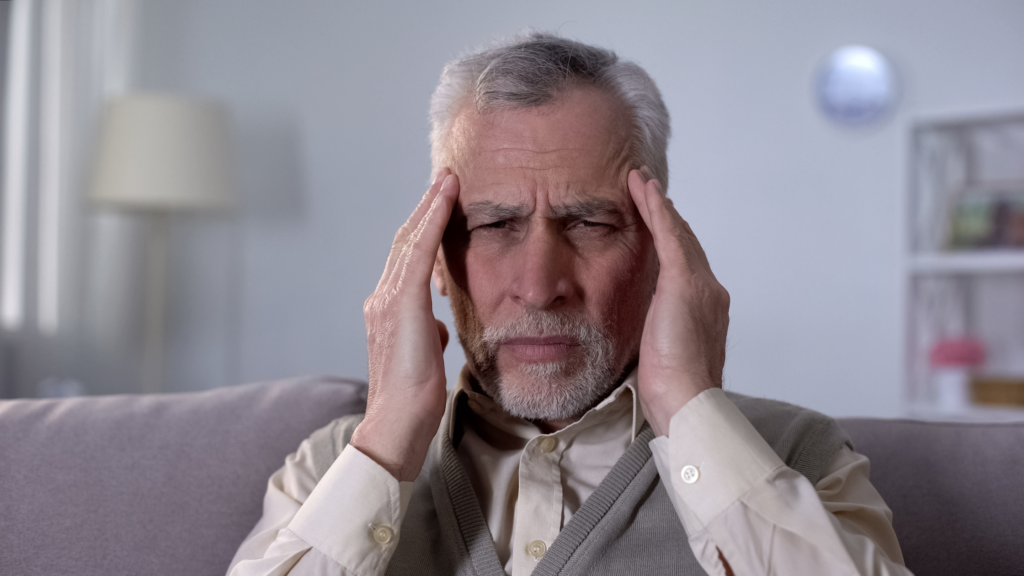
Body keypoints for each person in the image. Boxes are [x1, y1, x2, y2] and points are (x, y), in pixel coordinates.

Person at [228, 32, 911, 576]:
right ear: (433, 258)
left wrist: (689, 410)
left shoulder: (799, 456)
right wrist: (389, 439)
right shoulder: (329, 468)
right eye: (495, 224)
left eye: (588, 223)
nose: (539, 285)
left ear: (661, 251)